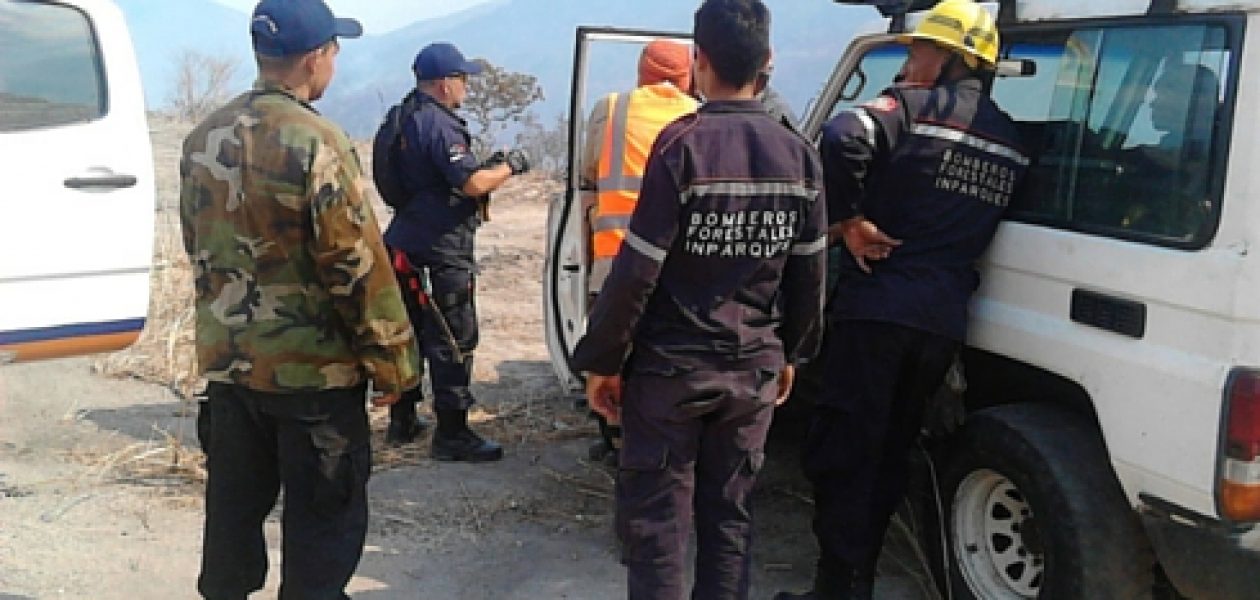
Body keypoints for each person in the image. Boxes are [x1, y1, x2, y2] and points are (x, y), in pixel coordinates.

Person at [572, 0, 828, 597]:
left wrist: (603, 360)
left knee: (659, 528)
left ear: (701, 62)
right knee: (729, 522)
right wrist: (791, 353)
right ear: (767, 61)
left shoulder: (681, 146)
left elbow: (636, 271)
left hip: (671, 374)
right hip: (752, 372)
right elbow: (809, 274)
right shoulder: (801, 156)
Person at [775, 1, 1029, 598]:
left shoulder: (909, 110)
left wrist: (849, 218)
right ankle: (855, 578)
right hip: (941, 321)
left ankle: (840, 588)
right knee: (890, 452)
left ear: (946, 58)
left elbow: (842, 134)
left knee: (843, 451)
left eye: (918, 51)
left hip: (878, 312)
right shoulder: (1011, 141)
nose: (910, 61)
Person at [179, 0, 422, 597]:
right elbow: (355, 266)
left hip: (234, 374)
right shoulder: (316, 140)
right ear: (316, 59)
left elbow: (199, 251)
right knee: (321, 531)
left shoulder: (202, 136)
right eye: (334, 51)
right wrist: (394, 364)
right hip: (314, 383)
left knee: (231, 527)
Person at [381, 41, 530, 462]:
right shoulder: (439, 125)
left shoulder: (401, 115)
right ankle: (453, 433)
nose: (466, 87)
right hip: (439, 248)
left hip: (404, 238)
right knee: (452, 337)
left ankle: (403, 420)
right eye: (463, 79)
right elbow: (472, 184)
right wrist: (510, 166)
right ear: (445, 84)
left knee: (407, 333)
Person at [578, 39, 699, 464]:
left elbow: (588, 172)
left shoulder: (611, 109)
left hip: (614, 255)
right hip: (678, 263)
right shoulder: (699, 117)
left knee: (612, 352)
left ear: (640, 72)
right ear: (689, 76)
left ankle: (614, 441)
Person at [1114, 61, 1221, 236]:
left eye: (1164, 92)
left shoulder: (1220, 154)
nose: (1152, 103)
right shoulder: (1179, 143)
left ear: (1198, 99)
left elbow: (1182, 165)